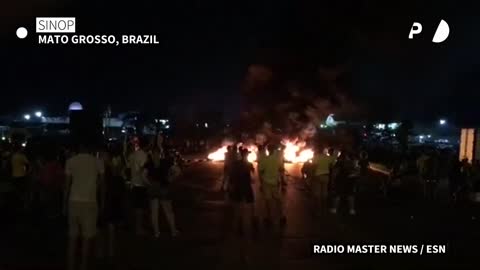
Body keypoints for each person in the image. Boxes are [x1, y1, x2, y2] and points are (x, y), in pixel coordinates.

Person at [64, 144, 105, 270]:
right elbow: (103, 185)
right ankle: (83, 266)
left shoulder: (70, 161)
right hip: (90, 202)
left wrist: (64, 204)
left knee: (72, 237)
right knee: (87, 238)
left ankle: (70, 265)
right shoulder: (97, 162)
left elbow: (66, 186)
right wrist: (102, 202)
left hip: (73, 201)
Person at [145, 147, 180, 238]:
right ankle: (173, 231)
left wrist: (149, 183)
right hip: (164, 188)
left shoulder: (149, 164)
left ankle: (157, 232)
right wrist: (171, 179)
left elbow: (143, 175)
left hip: (154, 189)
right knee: (168, 211)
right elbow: (177, 170)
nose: (155, 156)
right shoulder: (164, 162)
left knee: (154, 212)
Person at [228, 148, 255, 261]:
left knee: (238, 206)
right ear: (246, 155)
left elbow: (231, 176)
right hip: (246, 187)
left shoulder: (235, 164)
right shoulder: (248, 164)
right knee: (250, 204)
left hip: (237, 187)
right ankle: (253, 221)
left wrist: (231, 186)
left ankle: (239, 223)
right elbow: (253, 176)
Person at [259, 144, 284, 226]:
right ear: (274, 150)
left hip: (266, 182)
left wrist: (261, 182)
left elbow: (261, 171)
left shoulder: (264, 159)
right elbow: (281, 169)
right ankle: (281, 216)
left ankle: (269, 218)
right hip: (275, 182)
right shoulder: (277, 159)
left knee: (268, 200)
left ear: (268, 150)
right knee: (278, 199)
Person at [128, 139, 149, 235]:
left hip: (133, 183)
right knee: (140, 208)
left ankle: (137, 227)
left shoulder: (133, 155)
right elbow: (142, 170)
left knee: (136, 207)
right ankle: (139, 229)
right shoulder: (143, 155)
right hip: (140, 184)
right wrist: (148, 183)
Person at [310, 146, 336, 216]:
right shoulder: (328, 157)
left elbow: (314, 167)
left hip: (318, 176)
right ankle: (323, 210)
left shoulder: (316, 157)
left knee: (317, 195)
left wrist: (312, 176)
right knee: (324, 194)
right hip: (326, 176)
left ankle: (318, 211)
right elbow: (332, 166)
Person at [11, 144, 30, 211]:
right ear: (19, 149)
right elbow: (27, 164)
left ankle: (17, 204)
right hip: (21, 175)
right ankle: (24, 205)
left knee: (17, 190)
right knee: (23, 190)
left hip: (14, 175)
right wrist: (27, 172)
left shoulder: (13, 156)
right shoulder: (21, 156)